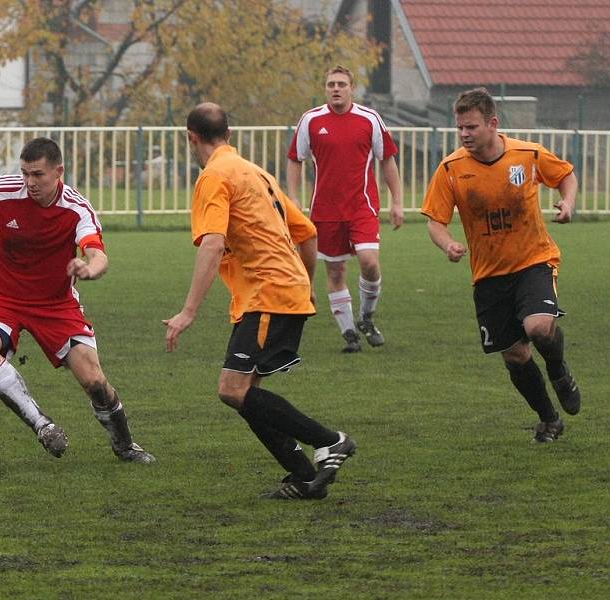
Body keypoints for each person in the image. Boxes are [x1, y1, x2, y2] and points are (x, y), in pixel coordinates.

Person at [0, 137, 154, 463]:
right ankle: (42, 425)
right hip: (2, 297)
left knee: (94, 380)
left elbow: (97, 253)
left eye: (38, 175)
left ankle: (125, 445)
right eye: (25, 173)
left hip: (56, 304)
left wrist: (90, 268)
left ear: (59, 172)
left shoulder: (76, 208)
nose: (30, 182)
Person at [164, 102, 356, 499]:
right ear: (229, 134)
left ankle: (330, 441)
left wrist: (188, 312)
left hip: (268, 294)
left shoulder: (215, 176)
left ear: (191, 137)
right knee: (244, 393)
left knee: (233, 389)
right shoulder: (255, 172)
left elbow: (213, 244)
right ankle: (305, 477)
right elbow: (306, 232)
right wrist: (304, 282)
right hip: (278, 291)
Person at [421, 87, 582, 443]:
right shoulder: (451, 168)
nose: (464, 134)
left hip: (533, 260)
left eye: (471, 127)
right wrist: (447, 243)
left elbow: (566, 175)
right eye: (460, 127)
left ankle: (559, 370)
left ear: (492, 124)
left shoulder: (527, 155)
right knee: (515, 355)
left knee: (539, 327)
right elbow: (435, 220)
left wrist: (567, 203)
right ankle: (549, 418)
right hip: (489, 275)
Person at [287, 65, 404, 353]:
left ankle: (367, 316)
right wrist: (293, 198)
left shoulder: (370, 119)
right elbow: (295, 159)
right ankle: (350, 333)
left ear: (352, 87)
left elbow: (387, 159)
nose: (336, 89)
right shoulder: (311, 120)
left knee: (369, 262)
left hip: (362, 206)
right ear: (325, 89)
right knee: (336, 271)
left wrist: (397, 201)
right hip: (325, 211)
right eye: (331, 84)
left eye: (341, 84)